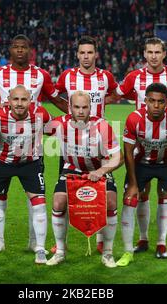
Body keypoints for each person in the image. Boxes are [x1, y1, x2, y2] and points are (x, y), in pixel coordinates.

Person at [0, 34, 67, 256]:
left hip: (33, 147)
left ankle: (33, 242)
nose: (20, 51)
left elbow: (57, 100)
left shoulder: (41, 75)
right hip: (5, 144)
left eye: (24, 47)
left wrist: (80, 116)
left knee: (35, 197)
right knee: (0, 196)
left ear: (30, 50)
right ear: (10, 50)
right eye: (16, 47)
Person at [113, 37, 167, 257]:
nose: (153, 56)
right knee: (141, 194)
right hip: (142, 144)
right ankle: (142, 240)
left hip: (166, 146)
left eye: (157, 52)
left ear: (164, 54)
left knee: (165, 194)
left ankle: (161, 243)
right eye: (149, 52)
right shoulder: (134, 77)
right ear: (144, 54)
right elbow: (116, 94)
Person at [52, 36, 119, 254]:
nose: (86, 56)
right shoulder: (68, 76)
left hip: (99, 142)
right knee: (67, 193)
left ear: (96, 54)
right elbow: (53, 95)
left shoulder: (106, 77)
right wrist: (69, 113)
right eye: (82, 53)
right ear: (78, 54)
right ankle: (61, 243)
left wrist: (98, 110)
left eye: (90, 52)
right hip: (72, 141)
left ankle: (101, 239)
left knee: (101, 191)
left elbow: (116, 95)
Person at [0, 85, 51, 264]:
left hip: (30, 164)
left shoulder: (41, 114)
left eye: (24, 99)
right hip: (1, 162)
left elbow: (56, 128)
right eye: (16, 99)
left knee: (39, 205)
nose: (20, 103)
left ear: (30, 100)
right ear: (8, 100)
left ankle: (39, 249)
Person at [117, 83, 167, 268]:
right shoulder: (134, 119)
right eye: (152, 101)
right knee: (130, 199)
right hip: (141, 164)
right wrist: (133, 183)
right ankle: (129, 251)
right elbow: (128, 152)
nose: (156, 106)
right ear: (146, 101)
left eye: (160, 102)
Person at [45, 91, 122, 268]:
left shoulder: (102, 126)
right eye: (77, 107)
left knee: (111, 202)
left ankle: (108, 253)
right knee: (58, 202)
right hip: (72, 169)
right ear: (70, 107)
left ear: (91, 108)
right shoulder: (59, 124)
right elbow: (34, 124)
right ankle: (60, 252)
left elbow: (118, 157)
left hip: (98, 169)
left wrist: (102, 171)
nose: (80, 111)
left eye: (84, 107)